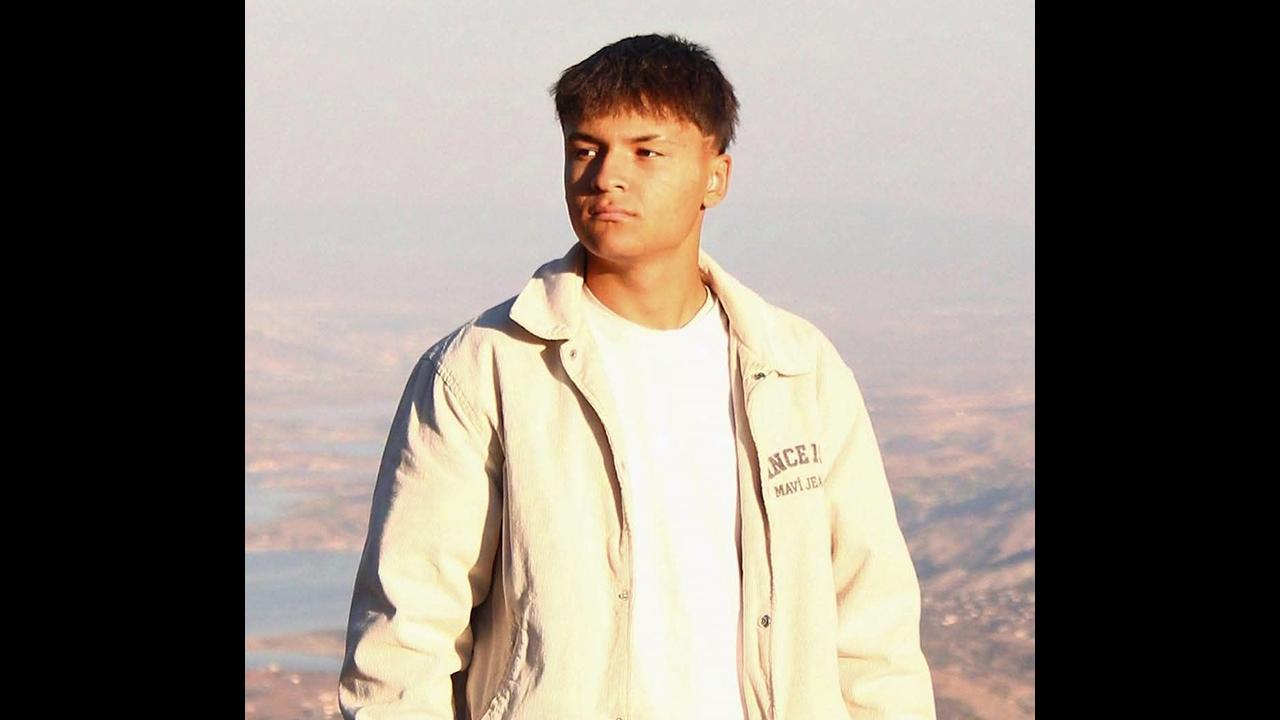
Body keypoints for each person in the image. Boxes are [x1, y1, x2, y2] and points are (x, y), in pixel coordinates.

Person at [338, 33, 936, 720]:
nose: (605, 177)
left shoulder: (798, 370)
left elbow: (874, 633)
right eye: (585, 149)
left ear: (716, 176)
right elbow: (404, 643)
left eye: (647, 152)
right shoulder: (484, 369)